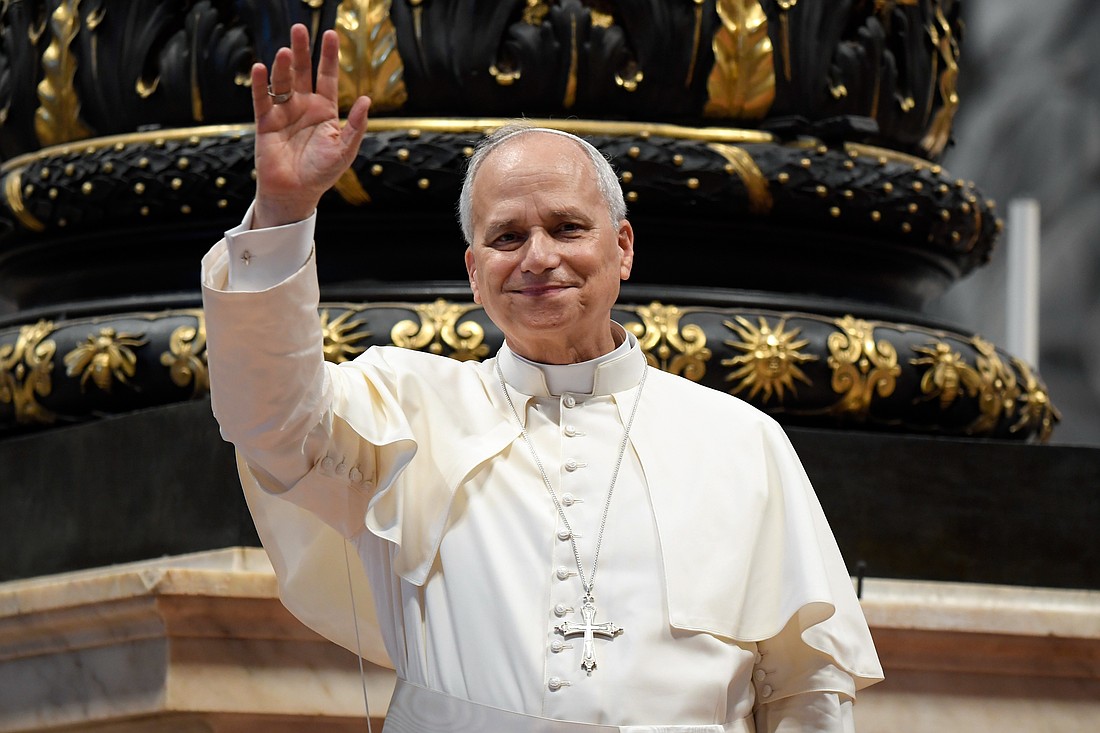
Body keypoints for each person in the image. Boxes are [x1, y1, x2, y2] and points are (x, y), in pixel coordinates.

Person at [201, 23, 883, 733]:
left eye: (566, 228)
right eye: (506, 237)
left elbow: (806, 685)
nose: (537, 257)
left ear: (622, 248)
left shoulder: (741, 440)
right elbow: (267, 419)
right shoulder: (405, 407)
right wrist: (282, 215)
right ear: (474, 273)